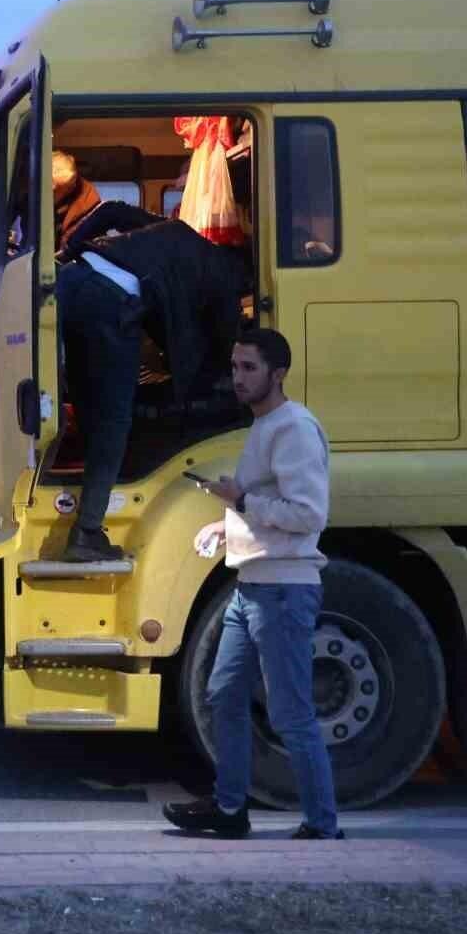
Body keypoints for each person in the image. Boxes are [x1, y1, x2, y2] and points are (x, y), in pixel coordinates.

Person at [163, 329, 342, 839]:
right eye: (234, 367)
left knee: (291, 713)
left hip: (283, 590)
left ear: (277, 373)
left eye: (248, 368)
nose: (237, 378)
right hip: (253, 587)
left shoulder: (293, 429)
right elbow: (273, 510)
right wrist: (226, 526)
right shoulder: (268, 426)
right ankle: (229, 809)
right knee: (222, 694)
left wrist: (239, 503)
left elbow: (308, 514)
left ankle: (322, 824)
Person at [55, 247, 145, 563]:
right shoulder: (216, 270)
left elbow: (113, 212)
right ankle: (88, 530)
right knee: (114, 420)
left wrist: (70, 249)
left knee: (84, 400)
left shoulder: (157, 237)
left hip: (73, 275)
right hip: (109, 296)